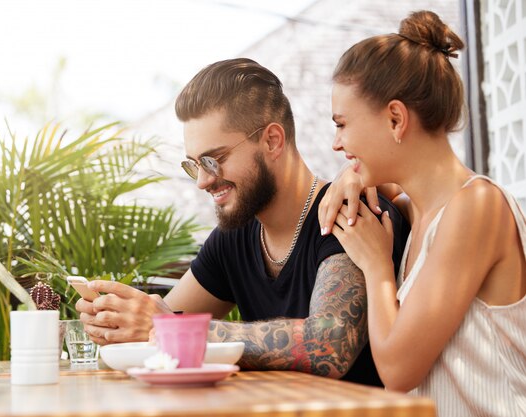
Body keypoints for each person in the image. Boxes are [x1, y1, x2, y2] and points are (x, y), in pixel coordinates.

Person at [76, 58, 410, 386]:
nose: (203, 181)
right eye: (194, 164)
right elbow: (161, 319)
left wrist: (168, 328)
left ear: (272, 141)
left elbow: (329, 344)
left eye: (213, 160)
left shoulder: (351, 211)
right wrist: (117, 319)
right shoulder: (233, 237)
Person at [319, 10, 526, 416]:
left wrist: (377, 266)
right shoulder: (417, 209)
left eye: (342, 124)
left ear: (396, 118)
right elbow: (397, 189)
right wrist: (353, 175)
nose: (336, 142)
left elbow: (398, 370)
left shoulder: (477, 207)